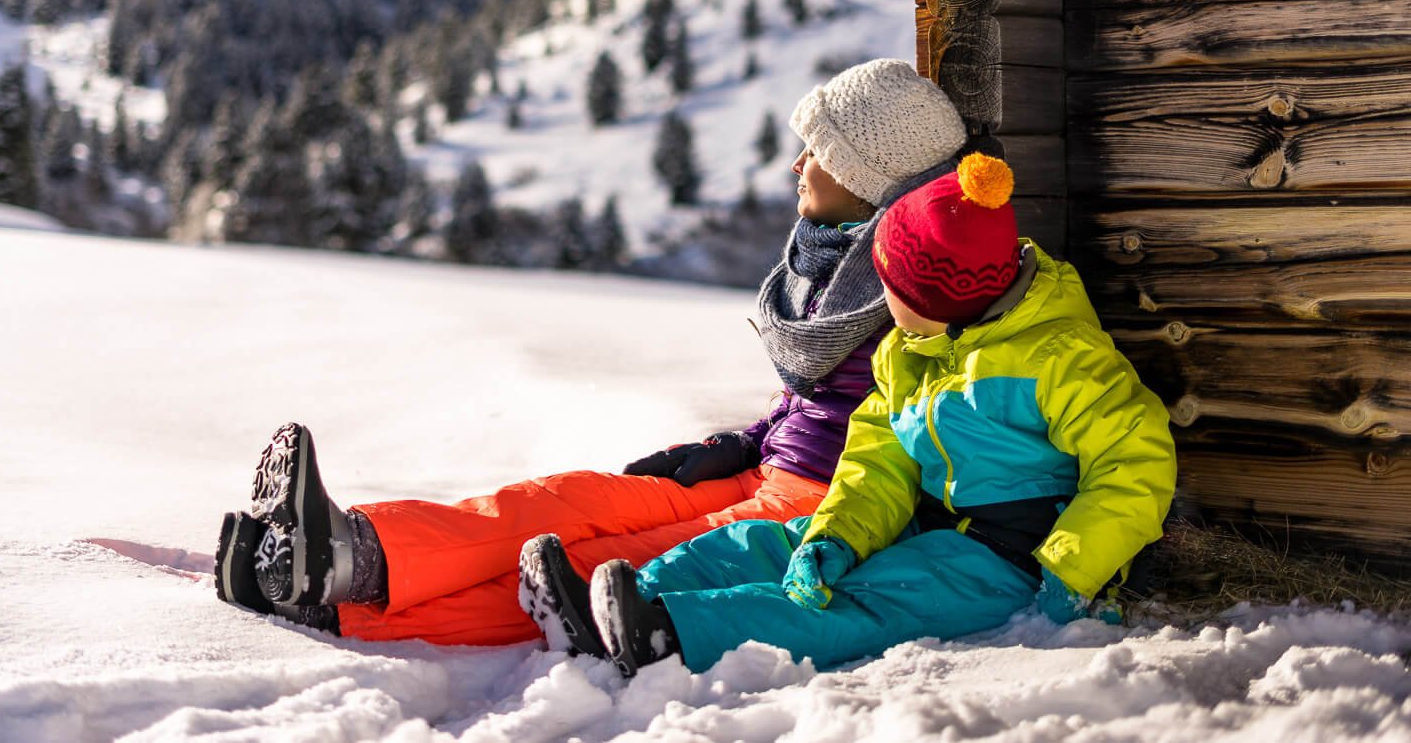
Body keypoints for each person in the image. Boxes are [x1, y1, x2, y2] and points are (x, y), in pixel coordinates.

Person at [213, 58, 970, 648]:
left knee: (608, 562)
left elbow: (918, 423)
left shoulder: (918, 289)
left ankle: (346, 613)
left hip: (829, 503)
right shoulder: (833, 264)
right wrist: (737, 441)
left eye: (819, 152)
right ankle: (348, 553)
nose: (797, 166)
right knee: (567, 501)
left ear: (869, 179)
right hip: (766, 466)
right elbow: (816, 398)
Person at [521, 154, 1177, 676]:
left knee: (857, 604)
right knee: (772, 543)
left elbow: (1136, 461)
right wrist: (837, 535)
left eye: (893, 289)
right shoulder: (911, 351)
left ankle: (667, 632)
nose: (884, 302)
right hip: (926, 523)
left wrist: (1072, 567)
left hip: (1014, 559)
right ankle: (618, 599)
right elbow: (878, 459)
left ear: (938, 298)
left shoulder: (1059, 357)